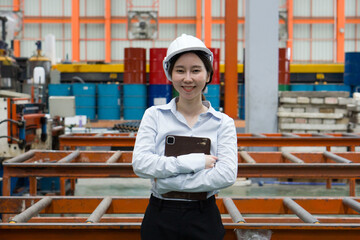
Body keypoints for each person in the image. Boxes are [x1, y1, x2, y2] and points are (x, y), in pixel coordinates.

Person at [132, 34, 238, 240]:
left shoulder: (223, 123)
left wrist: (165, 181)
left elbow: (225, 175)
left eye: (196, 70)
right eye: (180, 71)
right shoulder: (154, 115)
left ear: (208, 75)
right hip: (160, 216)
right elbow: (141, 164)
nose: (187, 78)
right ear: (170, 75)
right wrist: (193, 162)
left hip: (203, 217)